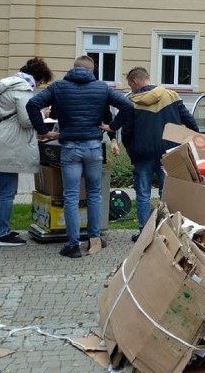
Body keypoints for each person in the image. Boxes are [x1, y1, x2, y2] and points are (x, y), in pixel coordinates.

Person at [26, 56, 133, 259]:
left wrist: (43, 131)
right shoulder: (102, 88)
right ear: (92, 70)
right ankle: (94, 239)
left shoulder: (58, 87)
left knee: (71, 196)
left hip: (70, 147)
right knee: (94, 195)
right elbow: (127, 106)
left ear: (73, 69)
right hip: (93, 147)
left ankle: (73, 244)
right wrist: (112, 127)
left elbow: (32, 104)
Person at [0, 57, 53, 246]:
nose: (40, 86)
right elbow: (27, 120)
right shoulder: (22, 89)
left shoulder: (5, 84)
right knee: (7, 191)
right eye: (42, 82)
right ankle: (2, 234)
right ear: (39, 77)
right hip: (5, 147)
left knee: (0, 190)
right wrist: (43, 114)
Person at [120, 66, 199, 241]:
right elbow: (188, 119)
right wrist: (196, 136)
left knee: (142, 194)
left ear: (135, 81)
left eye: (130, 85)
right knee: (167, 193)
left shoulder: (132, 102)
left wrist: (129, 148)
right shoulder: (170, 95)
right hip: (169, 153)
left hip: (142, 155)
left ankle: (144, 233)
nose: (131, 89)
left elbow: (126, 131)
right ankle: (167, 231)